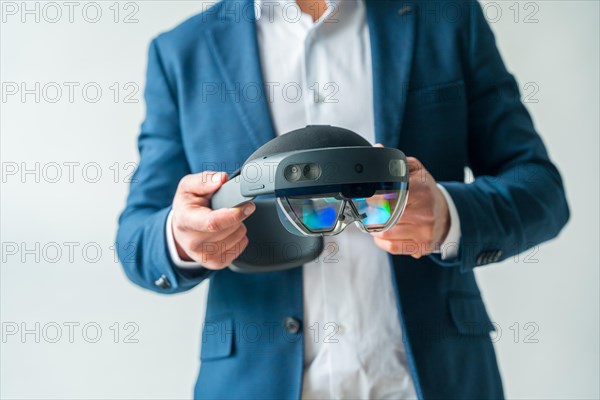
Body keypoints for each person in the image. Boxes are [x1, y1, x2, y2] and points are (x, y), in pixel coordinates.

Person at [116, 0, 570, 398]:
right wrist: (180, 236)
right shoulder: (182, 52)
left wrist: (448, 217)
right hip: (254, 383)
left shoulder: (447, 17)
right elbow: (136, 238)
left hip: (433, 380)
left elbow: (541, 190)